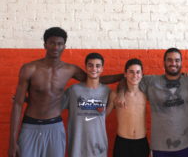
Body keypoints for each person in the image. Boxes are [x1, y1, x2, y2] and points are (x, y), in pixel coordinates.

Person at [8, 27, 122, 157]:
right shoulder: (29, 69)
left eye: (59, 44)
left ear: (64, 46)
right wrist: (12, 142)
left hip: (55, 126)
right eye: (52, 43)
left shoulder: (69, 70)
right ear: (45, 45)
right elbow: (17, 104)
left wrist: (123, 76)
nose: (56, 47)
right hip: (30, 126)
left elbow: (94, 78)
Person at [118, 48, 188, 157]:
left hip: (185, 143)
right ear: (164, 62)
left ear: (181, 62)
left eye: (177, 60)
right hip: (160, 145)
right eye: (170, 60)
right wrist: (121, 92)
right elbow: (128, 78)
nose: (173, 63)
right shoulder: (151, 81)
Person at [63, 53, 114, 157]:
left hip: (98, 146)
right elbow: (53, 106)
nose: (94, 69)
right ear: (85, 67)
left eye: (97, 66)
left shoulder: (108, 92)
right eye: (90, 65)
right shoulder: (73, 91)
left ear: (102, 69)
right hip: (77, 147)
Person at [113, 58, 150, 157]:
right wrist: (121, 91)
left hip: (141, 142)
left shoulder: (146, 95)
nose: (135, 75)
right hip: (122, 143)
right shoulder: (115, 95)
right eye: (131, 72)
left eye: (138, 72)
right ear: (125, 74)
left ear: (142, 74)